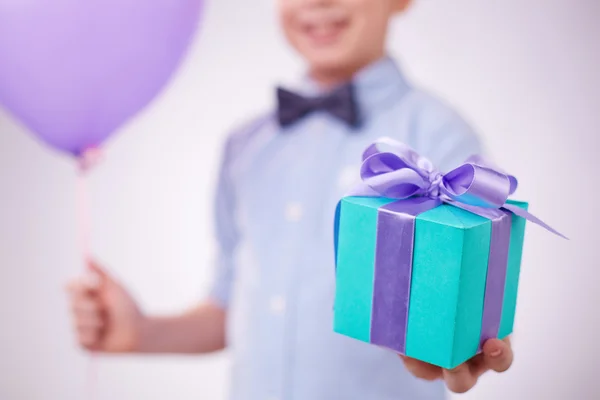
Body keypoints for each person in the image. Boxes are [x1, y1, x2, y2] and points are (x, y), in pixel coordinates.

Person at [66, 0, 514, 399]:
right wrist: (142, 333)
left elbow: (465, 308)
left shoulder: (439, 135)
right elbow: (229, 306)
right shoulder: (245, 146)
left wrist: (460, 347)